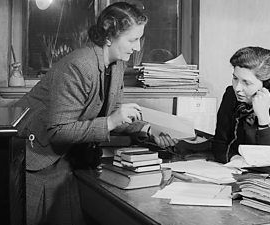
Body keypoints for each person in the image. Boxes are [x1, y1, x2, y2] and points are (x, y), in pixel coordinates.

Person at [15, 2, 175, 225]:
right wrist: (111, 121)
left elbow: (112, 115)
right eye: (132, 39)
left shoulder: (116, 65)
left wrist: (147, 130)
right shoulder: (79, 66)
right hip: (37, 158)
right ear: (109, 37)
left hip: (68, 159)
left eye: (139, 39)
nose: (138, 47)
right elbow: (59, 130)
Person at [212, 46, 270, 163]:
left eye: (246, 82)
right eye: (235, 78)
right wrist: (235, 159)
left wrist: (263, 116)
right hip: (238, 171)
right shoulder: (230, 95)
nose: (237, 88)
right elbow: (219, 144)